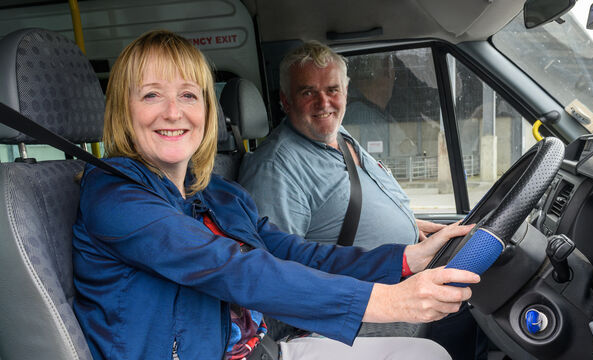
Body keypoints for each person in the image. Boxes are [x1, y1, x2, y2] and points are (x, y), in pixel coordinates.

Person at [72, 30, 480, 360]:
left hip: (260, 351)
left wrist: (407, 259)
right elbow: (230, 268)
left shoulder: (217, 191)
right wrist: (387, 302)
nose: (174, 112)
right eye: (151, 95)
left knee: (424, 353)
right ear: (124, 111)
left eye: (188, 95)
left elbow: (294, 252)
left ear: (207, 110)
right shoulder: (114, 194)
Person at [238, 41, 486, 359]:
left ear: (346, 90)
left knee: (477, 289)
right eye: (307, 92)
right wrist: (401, 267)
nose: (323, 102)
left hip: (395, 267)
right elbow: (281, 271)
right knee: (471, 304)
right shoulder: (276, 166)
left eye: (332, 89)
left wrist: (414, 228)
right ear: (286, 101)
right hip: (353, 299)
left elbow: (355, 207)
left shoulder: (340, 137)